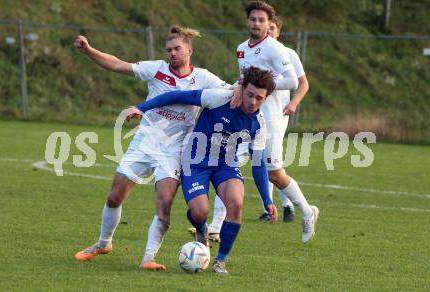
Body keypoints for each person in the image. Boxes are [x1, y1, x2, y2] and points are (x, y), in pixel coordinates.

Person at [73, 25, 232, 271]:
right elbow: (117, 64)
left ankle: (148, 258)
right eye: (168, 49)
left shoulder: (204, 77)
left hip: (175, 151)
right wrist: (88, 51)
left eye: (177, 48)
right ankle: (104, 243)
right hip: (145, 142)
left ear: (189, 50)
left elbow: (231, 91)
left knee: (165, 201)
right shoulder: (155, 69)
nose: (172, 53)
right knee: (115, 196)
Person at [127, 66, 279, 275]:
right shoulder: (219, 98)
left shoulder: (258, 123)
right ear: (242, 89)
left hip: (225, 165)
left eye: (260, 98)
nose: (253, 102)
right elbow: (178, 95)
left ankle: (220, 261)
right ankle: (202, 230)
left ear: (266, 98)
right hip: (195, 161)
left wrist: (267, 200)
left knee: (236, 202)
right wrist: (141, 107)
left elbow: (258, 163)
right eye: (250, 95)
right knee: (200, 212)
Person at [233, 0, 318, 243]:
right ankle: (216, 226)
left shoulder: (277, 49)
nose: (256, 23)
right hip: (247, 115)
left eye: (261, 20)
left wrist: (261, 86)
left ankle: (306, 210)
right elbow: (243, 80)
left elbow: (293, 81)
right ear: (247, 21)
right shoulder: (241, 49)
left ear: (270, 24)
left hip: (271, 118)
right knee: (228, 164)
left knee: (274, 173)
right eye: (253, 19)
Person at [254, 14, 310, 222]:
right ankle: (270, 208)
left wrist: (294, 103)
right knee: (263, 162)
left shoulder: (287, 53)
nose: (268, 31)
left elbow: (302, 83)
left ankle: (287, 206)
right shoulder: (254, 51)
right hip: (257, 113)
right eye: (265, 28)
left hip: (278, 114)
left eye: (272, 28)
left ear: (278, 31)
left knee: (272, 165)